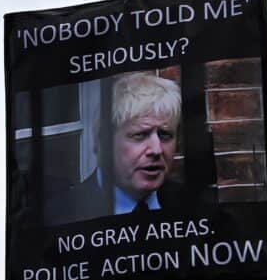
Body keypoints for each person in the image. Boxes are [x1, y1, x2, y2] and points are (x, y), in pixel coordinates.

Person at [44, 72, 183, 226]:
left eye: (165, 135)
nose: (156, 150)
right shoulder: (57, 217)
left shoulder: (192, 203)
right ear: (104, 141)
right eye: (140, 135)